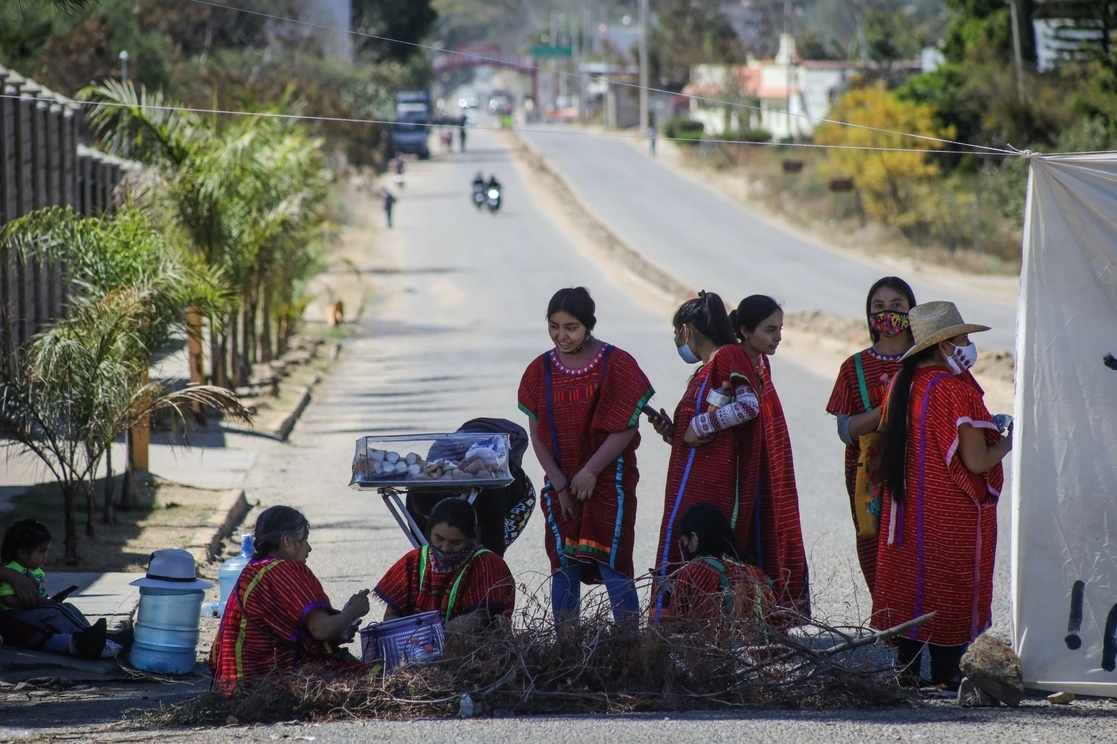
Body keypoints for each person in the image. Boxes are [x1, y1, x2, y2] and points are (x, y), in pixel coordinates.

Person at [872, 301, 1012, 689]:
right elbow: (977, 461)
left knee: (912, 582)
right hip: (947, 510)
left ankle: (908, 672)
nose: (968, 346)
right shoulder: (952, 390)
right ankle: (948, 673)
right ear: (945, 344)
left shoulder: (904, 383)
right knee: (948, 584)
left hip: (906, 508)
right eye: (964, 338)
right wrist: (1008, 442)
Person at [518, 287, 654, 626]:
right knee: (565, 566)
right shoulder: (538, 372)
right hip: (561, 485)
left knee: (613, 563)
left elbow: (626, 426)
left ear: (589, 325)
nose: (561, 335)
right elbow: (537, 435)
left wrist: (591, 471)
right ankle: (567, 652)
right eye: (554, 326)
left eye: (571, 327)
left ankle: (629, 649)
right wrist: (562, 485)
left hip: (610, 481)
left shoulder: (616, 364)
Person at [651, 291, 761, 620]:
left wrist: (699, 423)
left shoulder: (728, 355)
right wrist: (674, 433)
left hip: (714, 485)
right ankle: (677, 634)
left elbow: (748, 405)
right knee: (682, 554)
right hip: (689, 480)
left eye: (676, 333)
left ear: (686, 329)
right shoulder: (703, 371)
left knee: (702, 554)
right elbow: (701, 436)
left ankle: (706, 633)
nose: (677, 340)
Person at [210, 506, 371, 693]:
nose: (309, 548)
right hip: (263, 682)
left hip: (232, 684)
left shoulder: (254, 570)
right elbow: (320, 629)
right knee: (370, 676)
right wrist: (351, 611)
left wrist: (340, 628)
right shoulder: (283, 571)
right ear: (287, 541)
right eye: (305, 539)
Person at [825, 277, 917, 593]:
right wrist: (886, 410)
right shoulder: (853, 368)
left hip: (922, 470)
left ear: (911, 312)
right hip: (870, 477)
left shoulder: (930, 359)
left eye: (896, 306)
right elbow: (845, 430)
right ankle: (889, 629)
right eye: (879, 307)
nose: (887, 313)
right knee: (875, 549)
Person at [732, 295, 811, 621]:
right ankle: (752, 618)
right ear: (746, 330)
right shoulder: (736, 364)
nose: (778, 337)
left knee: (777, 529)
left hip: (772, 464)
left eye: (780, 329)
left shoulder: (764, 362)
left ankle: (777, 617)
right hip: (749, 468)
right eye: (769, 330)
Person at [375, 498, 515, 634]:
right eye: (439, 539)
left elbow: (478, 618)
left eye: (456, 543)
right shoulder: (413, 560)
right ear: (429, 533)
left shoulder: (487, 563)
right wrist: (408, 637)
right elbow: (391, 616)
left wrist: (433, 635)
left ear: (472, 538)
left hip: (471, 651)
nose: (445, 548)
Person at [0, 519, 119, 658]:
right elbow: (9, 601)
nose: (45, 557)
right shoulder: (11, 569)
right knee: (57, 611)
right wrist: (43, 603)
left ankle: (92, 635)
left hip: (33, 611)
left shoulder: (34, 570)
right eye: (41, 551)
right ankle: (89, 639)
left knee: (67, 608)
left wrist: (49, 601)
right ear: (22, 553)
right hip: (17, 615)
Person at [660, 503, 773, 630]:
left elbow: (679, 623)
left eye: (686, 542)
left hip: (717, 647)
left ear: (695, 537)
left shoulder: (697, 569)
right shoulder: (756, 572)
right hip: (766, 648)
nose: (686, 550)